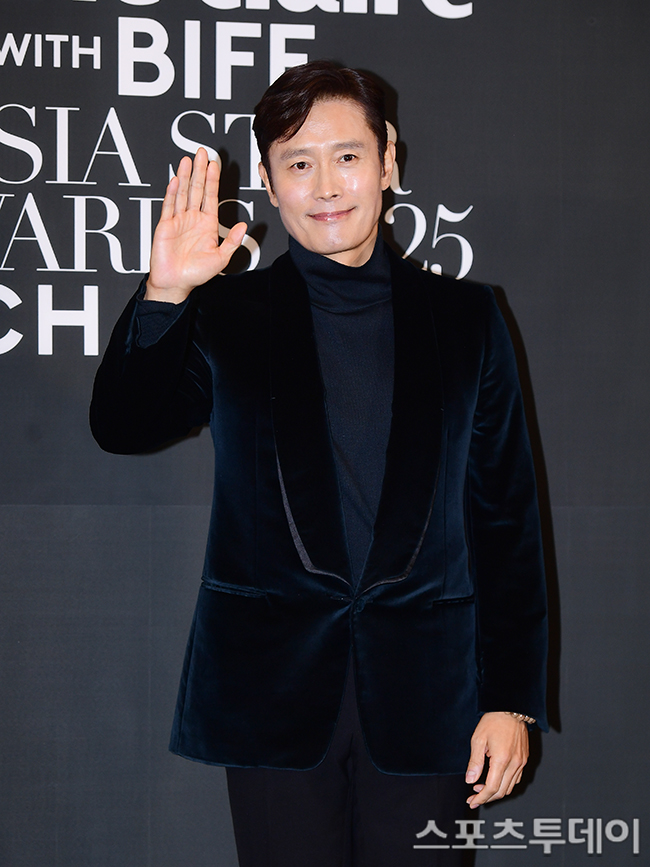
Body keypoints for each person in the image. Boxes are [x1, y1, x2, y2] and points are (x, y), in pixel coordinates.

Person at [90, 61, 548, 866]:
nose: (327, 185)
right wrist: (164, 293)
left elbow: (504, 517)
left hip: (428, 698)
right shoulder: (228, 314)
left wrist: (510, 698)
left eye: (347, 156)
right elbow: (124, 425)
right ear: (269, 184)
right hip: (271, 695)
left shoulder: (469, 319)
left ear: (388, 161)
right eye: (299, 163)